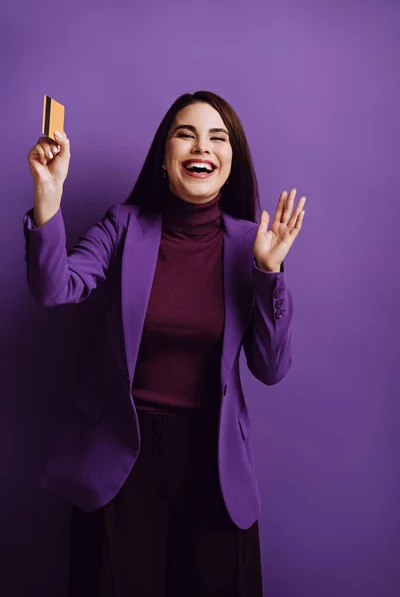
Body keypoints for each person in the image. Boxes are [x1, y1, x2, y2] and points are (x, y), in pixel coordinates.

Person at [24, 90, 306, 597]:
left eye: (217, 138)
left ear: (230, 160)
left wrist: (269, 272)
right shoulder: (123, 225)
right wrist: (48, 195)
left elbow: (270, 367)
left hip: (213, 464)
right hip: (120, 459)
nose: (202, 147)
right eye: (186, 134)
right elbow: (54, 287)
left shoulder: (251, 243)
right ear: (164, 157)